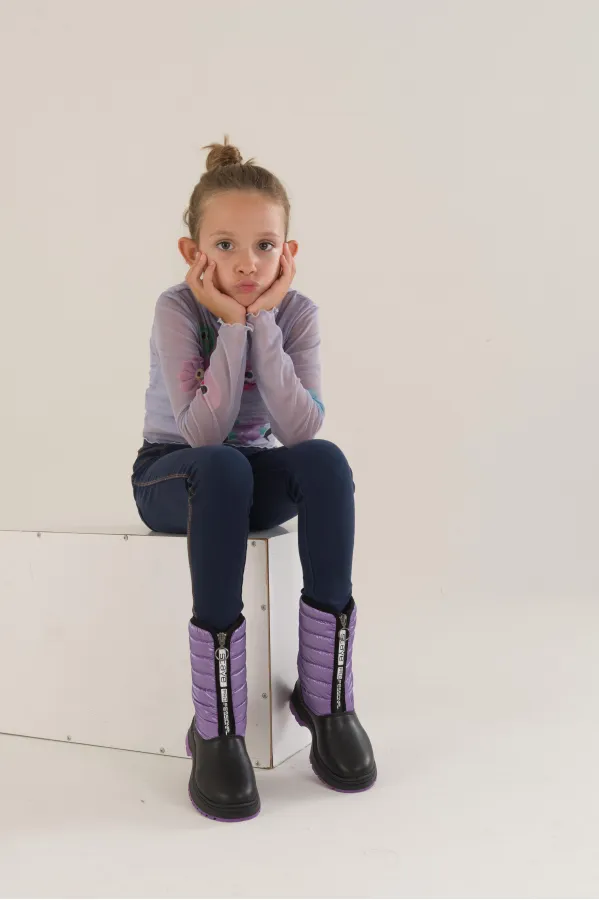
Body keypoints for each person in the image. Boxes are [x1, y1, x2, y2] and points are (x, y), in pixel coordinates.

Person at [131, 136, 376, 823]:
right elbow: (203, 434)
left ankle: (326, 698)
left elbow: (301, 429)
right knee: (222, 462)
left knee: (324, 463)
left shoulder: (298, 316)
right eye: (227, 245)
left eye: (265, 246)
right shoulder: (176, 310)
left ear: (289, 253)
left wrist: (262, 321)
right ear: (193, 252)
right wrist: (232, 327)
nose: (247, 263)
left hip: (242, 476)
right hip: (173, 475)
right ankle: (218, 723)